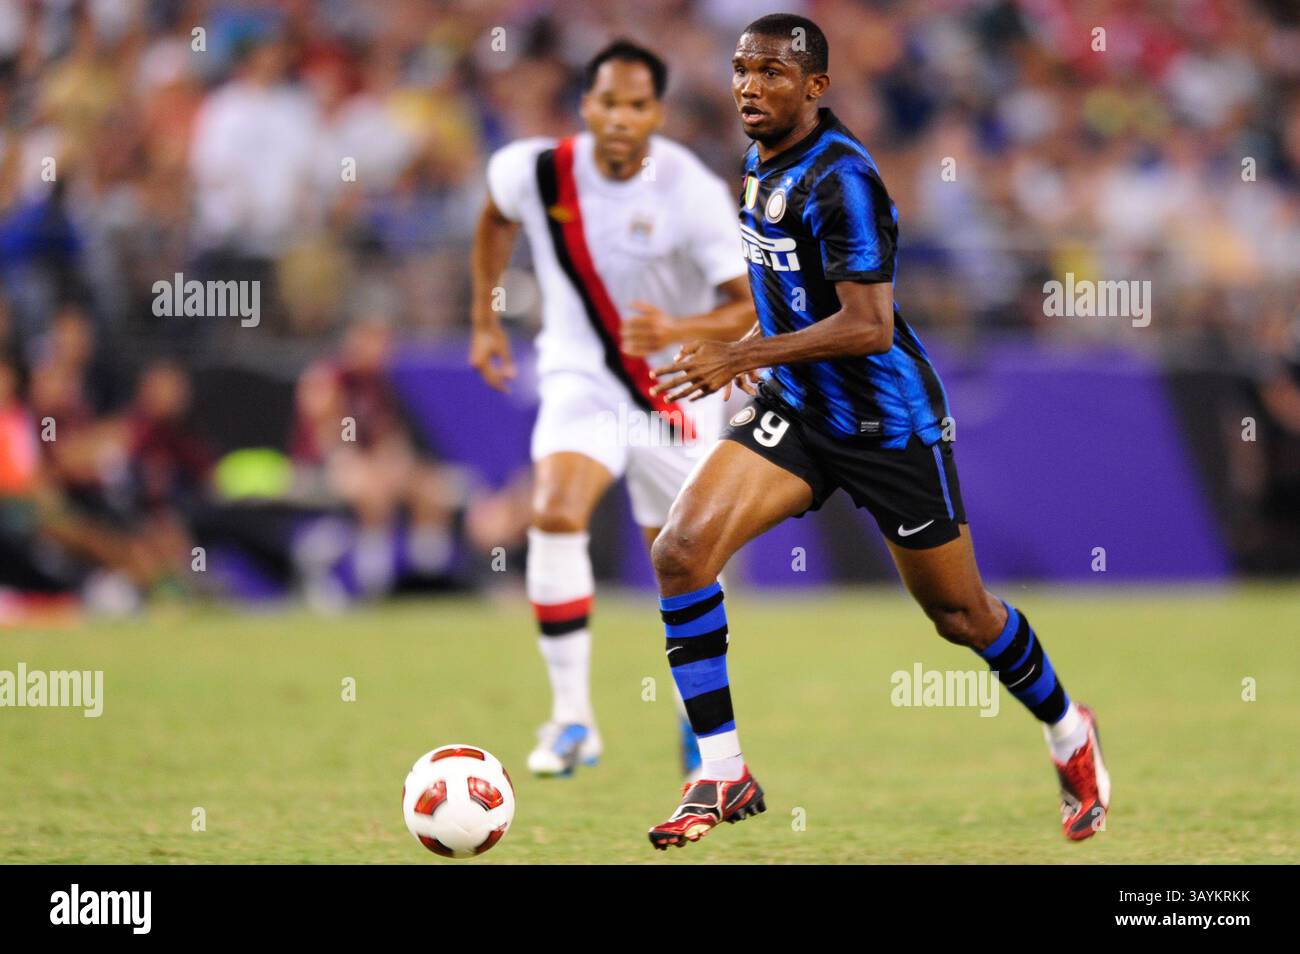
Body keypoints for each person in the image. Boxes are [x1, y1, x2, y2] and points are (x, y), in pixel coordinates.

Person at [644, 14, 1110, 849]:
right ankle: (721, 769)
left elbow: (869, 325)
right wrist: (738, 345)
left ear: (816, 87)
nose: (751, 86)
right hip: (798, 408)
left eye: (773, 73)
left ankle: (1070, 730)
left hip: (887, 424)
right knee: (680, 551)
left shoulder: (844, 179)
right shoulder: (757, 162)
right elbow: (786, 284)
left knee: (961, 615)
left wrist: (744, 351)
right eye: (743, 69)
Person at [470, 40, 755, 778]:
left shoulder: (689, 189)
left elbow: (742, 307)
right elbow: (494, 216)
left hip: (674, 393)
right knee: (556, 514)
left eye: (637, 105)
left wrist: (676, 332)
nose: (621, 118)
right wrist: (484, 317)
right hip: (581, 380)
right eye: (608, 103)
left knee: (686, 562)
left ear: (656, 113)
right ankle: (572, 722)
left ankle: (699, 729)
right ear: (586, 107)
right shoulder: (535, 171)